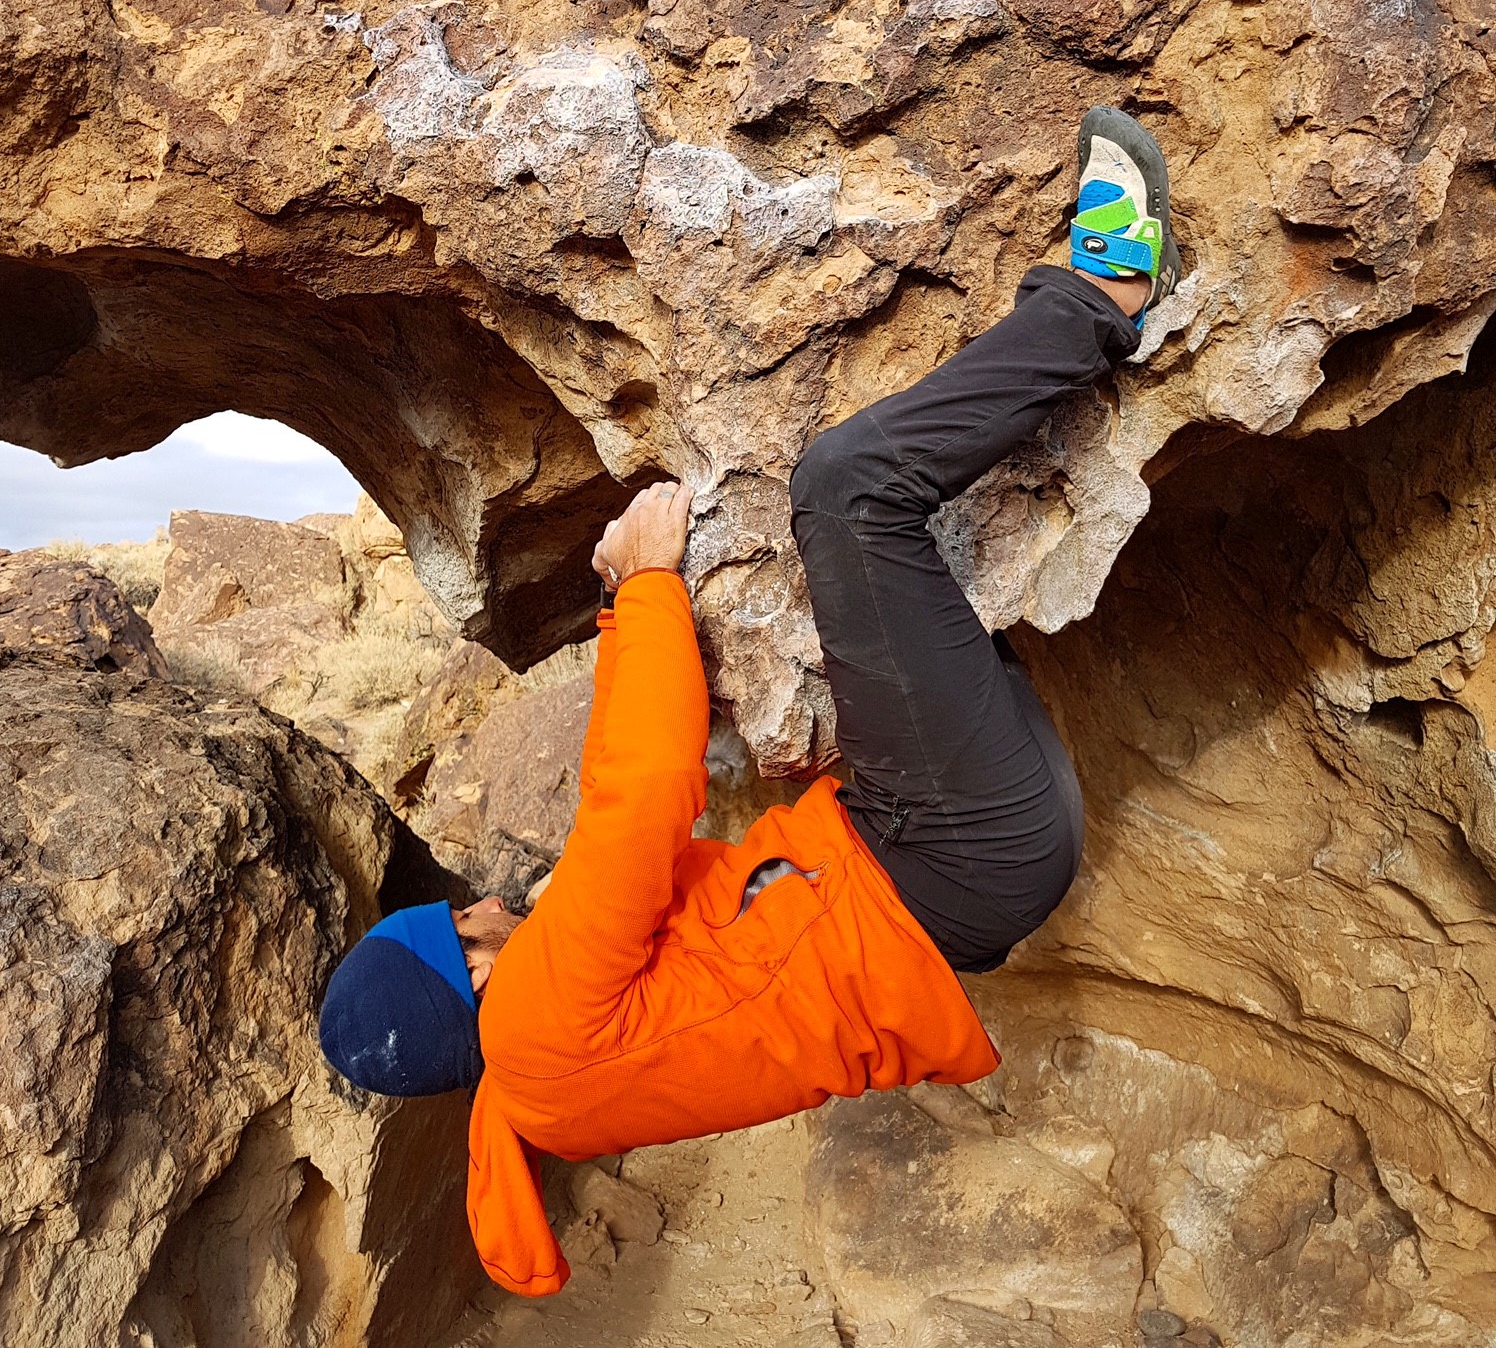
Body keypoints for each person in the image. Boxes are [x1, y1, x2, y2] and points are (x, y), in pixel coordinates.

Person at [318, 108, 1180, 1296]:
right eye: (469, 921)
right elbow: (639, 804)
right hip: (952, 848)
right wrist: (652, 585)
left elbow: (675, 916)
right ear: (459, 957)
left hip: (951, 878)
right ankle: (1108, 293)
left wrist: (630, 630)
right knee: (847, 491)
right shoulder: (537, 1015)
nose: (488, 909)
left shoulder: (540, 1092)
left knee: (907, 629)